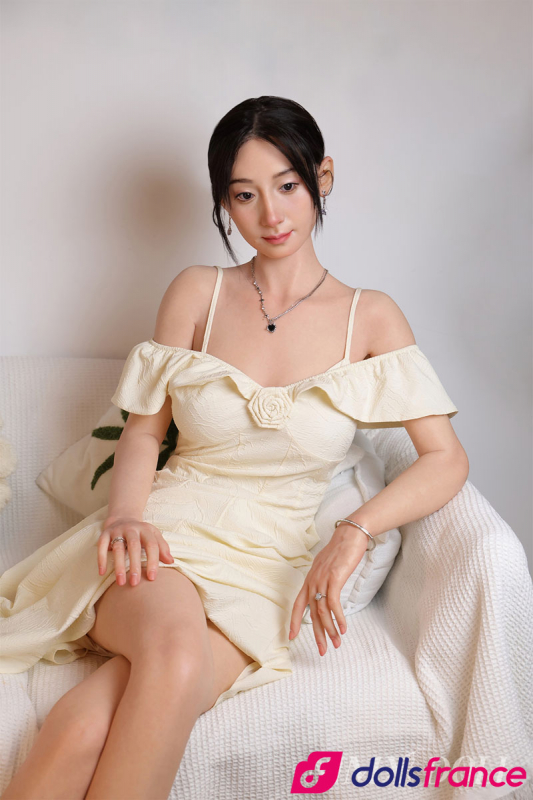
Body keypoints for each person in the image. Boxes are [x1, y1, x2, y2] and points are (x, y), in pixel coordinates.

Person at [0, 95, 467, 800]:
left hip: (267, 570)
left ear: (322, 178)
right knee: (176, 655)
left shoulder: (369, 317)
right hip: (167, 535)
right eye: (245, 195)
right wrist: (125, 516)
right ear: (223, 201)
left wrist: (354, 529)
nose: (271, 214)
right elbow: (143, 431)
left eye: (287, 185)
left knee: (86, 725)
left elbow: (445, 459)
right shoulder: (198, 292)